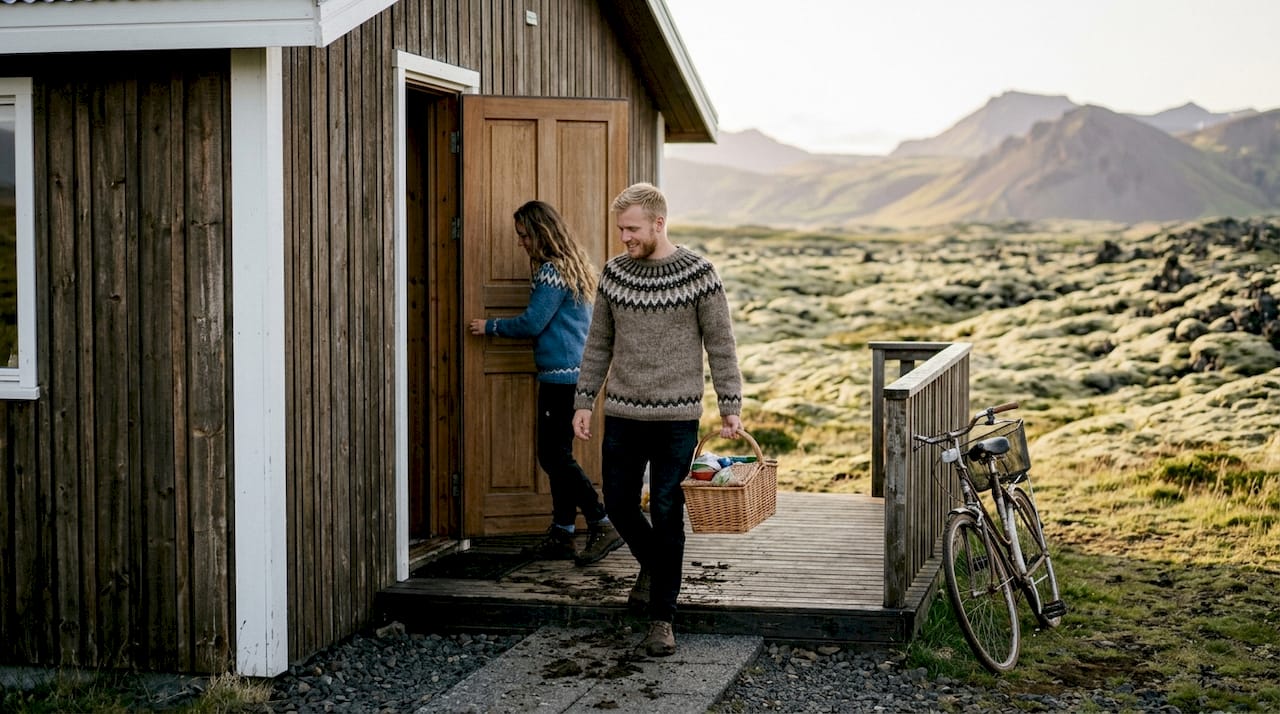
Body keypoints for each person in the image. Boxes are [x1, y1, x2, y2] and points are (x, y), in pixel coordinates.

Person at [571, 182, 744, 657]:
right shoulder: (613, 274)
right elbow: (598, 343)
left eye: (632, 228)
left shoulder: (700, 274)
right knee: (621, 506)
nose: (624, 236)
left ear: (658, 223)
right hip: (623, 413)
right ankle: (656, 565)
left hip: (677, 418)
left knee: (668, 514)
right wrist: (583, 401)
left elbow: (721, 344)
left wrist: (730, 405)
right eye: (621, 228)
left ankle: (662, 619)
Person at [469, 200, 624, 566]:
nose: (520, 242)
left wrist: (489, 326)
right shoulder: (571, 267)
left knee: (552, 455)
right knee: (559, 456)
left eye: (524, 235)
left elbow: (532, 323)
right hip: (573, 376)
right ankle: (562, 532)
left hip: (562, 379)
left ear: (540, 233)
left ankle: (601, 522)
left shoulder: (553, 272)